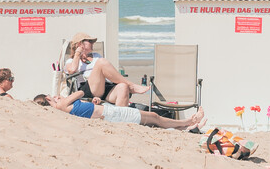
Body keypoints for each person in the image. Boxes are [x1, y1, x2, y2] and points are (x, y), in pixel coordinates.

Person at [33, 93, 206, 132]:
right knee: (153, 118)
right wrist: (61, 98)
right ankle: (188, 122)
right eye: (51, 97)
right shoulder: (61, 105)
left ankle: (186, 126)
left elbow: (82, 106)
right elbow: (78, 93)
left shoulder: (62, 109)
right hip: (111, 114)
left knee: (153, 122)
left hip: (107, 113)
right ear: (48, 102)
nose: (55, 97)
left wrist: (93, 102)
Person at [63, 34, 148, 107]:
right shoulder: (71, 61)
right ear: (80, 44)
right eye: (90, 41)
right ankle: (131, 85)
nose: (93, 43)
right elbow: (72, 70)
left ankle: (121, 119)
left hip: (104, 87)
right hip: (87, 90)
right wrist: (78, 53)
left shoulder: (96, 56)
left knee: (123, 87)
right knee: (101, 62)